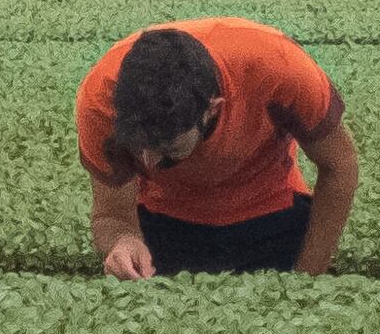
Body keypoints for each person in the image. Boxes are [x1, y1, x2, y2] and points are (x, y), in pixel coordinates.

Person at [76, 18, 358, 278]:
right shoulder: (100, 101)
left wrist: (306, 278)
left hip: (273, 215)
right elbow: (111, 215)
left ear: (212, 110)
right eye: (136, 146)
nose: (146, 162)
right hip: (161, 222)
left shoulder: (280, 69)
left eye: (167, 148)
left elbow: (339, 165)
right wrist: (124, 241)